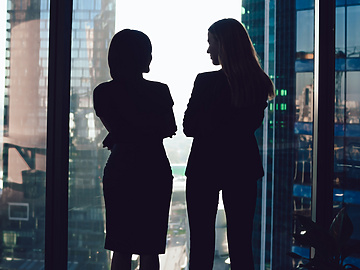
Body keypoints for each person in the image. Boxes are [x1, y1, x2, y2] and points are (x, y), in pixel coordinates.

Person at [183, 18, 275, 270]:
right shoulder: (257, 83)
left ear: (224, 45)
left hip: (204, 167)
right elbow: (246, 126)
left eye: (211, 43)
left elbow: (189, 127)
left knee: (201, 245)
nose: (208, 49)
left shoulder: (205, 82)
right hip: (242, 168)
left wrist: (209, 123)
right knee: (242, 245)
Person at [93, 29, 177, 270]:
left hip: (122, 169)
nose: (150, 58)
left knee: (121, 247)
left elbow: (120, 129)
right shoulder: (160, 90)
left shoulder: (104, 92)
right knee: (150, 248)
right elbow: (168, 127)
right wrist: (142, 129)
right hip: (154, 170)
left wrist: (119, 134)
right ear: (140, 56)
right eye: (148, 52)